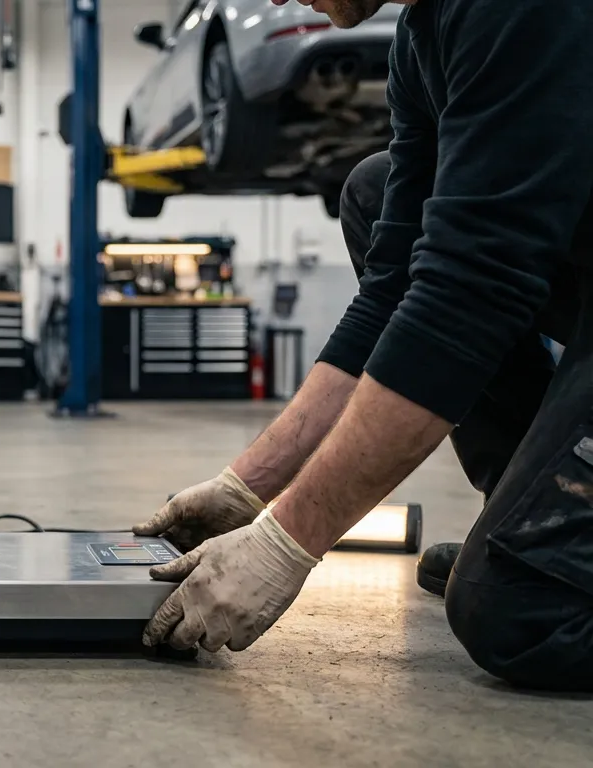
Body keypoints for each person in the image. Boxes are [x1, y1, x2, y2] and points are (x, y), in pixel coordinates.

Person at [135, 0, 593, 691]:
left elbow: (468, 296)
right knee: (375, 193)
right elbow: (393, 290)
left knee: (524, 613)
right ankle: (534, 516)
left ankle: (553, 553)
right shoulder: (422, 38)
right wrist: (245, 489)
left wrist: (286, 543)